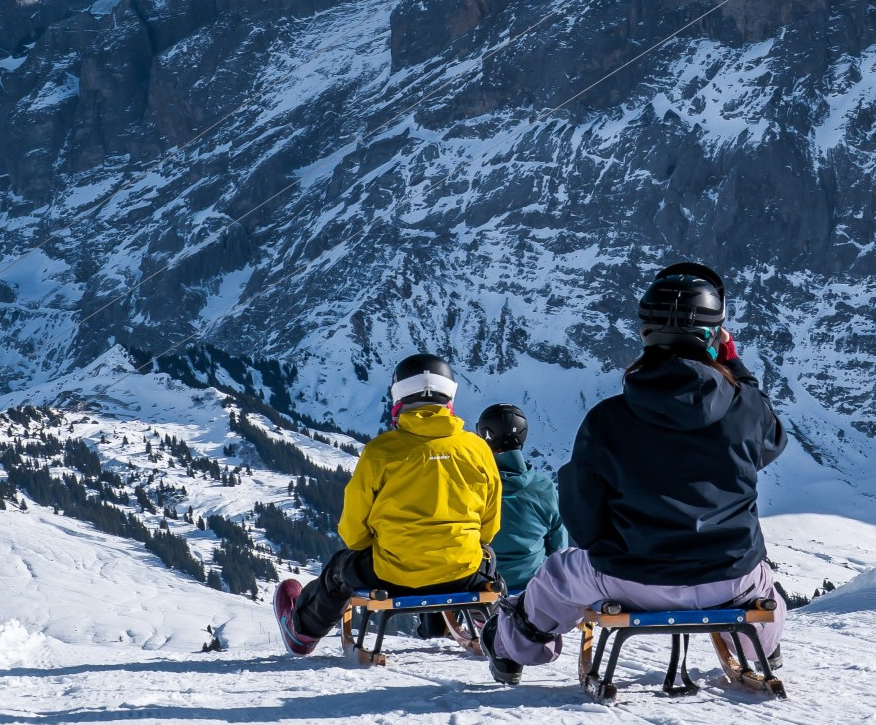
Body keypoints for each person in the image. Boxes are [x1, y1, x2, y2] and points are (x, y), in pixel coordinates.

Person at [481, 263, 787, 685]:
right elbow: (772, 439)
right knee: (764, 585)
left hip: (633, 577)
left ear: (646, 335)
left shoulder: (607, 420)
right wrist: (734, 366)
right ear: (717, 337)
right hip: (729, 576)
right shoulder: (747, 408)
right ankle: (762, 646)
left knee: (555, 576)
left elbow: (584, 526)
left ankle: (512, 649)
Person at [274, 353, 501, 656]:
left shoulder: (381, 452)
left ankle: (302, 631)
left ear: (398, 397)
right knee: (487, 557)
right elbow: (490, 525)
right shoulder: (477, 449)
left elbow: (353, 532)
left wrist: (387, 548)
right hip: (462, 571)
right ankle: (494, 627)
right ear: (450, 395)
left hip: (392, 574)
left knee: (339, 568)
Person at [475, 403, 568, 593]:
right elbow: (558, 549)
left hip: (482, 588)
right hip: (535, 589)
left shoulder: (473, 486)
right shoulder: (544, 487)